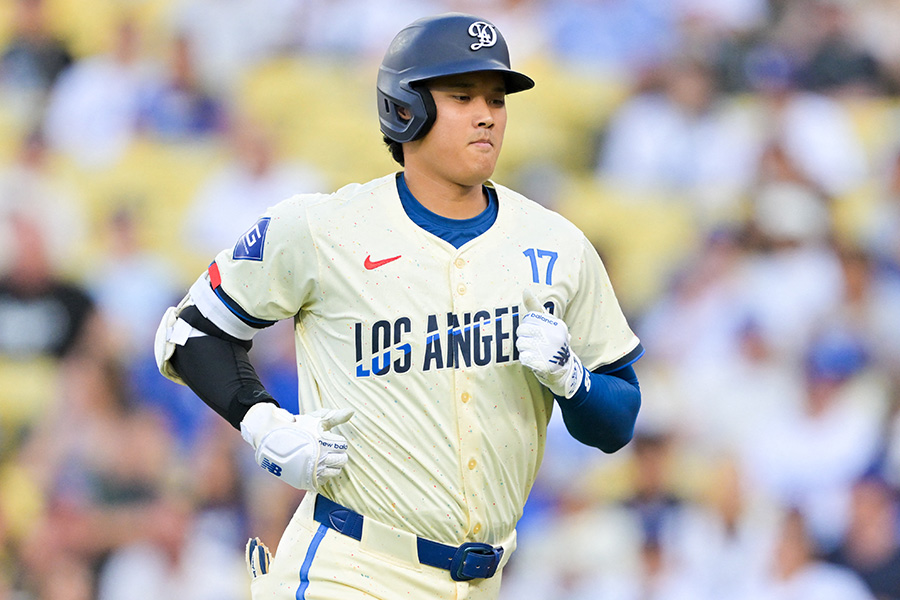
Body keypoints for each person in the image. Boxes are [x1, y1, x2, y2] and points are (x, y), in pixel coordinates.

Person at [155, 13, 643, 600]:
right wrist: (262, 422)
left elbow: (618, 422)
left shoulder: (557, 243)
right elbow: (190, 333)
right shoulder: (323, 228)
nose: (487, 114)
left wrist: (573, 379)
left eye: (496, 99)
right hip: (351, 568)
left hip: (482, 580)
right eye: (462, 96)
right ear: (405, 108)